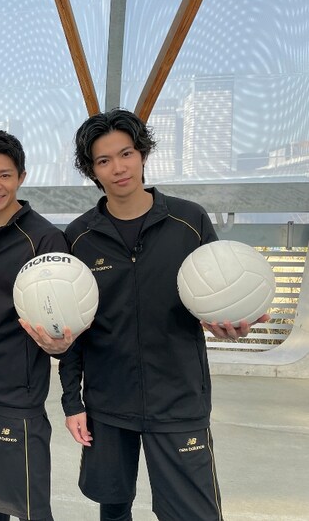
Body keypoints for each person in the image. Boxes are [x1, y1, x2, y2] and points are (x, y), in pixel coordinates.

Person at [57, 108, 269, 521]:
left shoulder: (189, 220)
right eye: (104, 160)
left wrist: (231, 325)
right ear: (92, 170)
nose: (119, 168)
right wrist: (71, 401)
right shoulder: (79, 237)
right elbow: (74, 329)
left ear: (142, 154)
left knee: (192, 513)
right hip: (108, 403)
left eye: (126, 154)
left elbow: (219, 295)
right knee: (113, 508)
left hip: (179, 399)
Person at [0, 129, 72, 521]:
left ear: (21, 177)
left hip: (17, 391)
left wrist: (61, 347)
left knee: (29, 504)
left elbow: (63, 319)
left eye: (4, 175)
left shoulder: (44, 239)